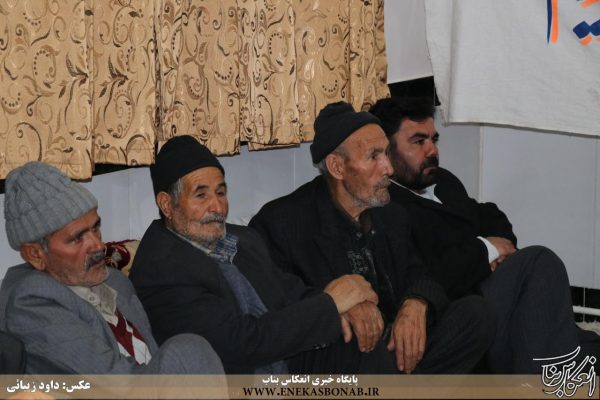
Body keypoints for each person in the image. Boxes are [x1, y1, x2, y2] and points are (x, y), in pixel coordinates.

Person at [250, 101, 495, 374]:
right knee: (365, 344)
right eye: (373, 156)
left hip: (391, 346)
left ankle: (408, 388)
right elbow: (276, 297)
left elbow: (419, 273)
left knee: (476, 314)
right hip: (339, 353)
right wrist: (337, 306)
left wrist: (416, 302)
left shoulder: (391, 214)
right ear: (337, 167)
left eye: (386, 153)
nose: (388, 168)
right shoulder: (282, 222)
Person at [369, 96, 600, 373]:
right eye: (418, 141)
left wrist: (499, 252)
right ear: (386, 150)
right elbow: (431, 275)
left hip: (492, 292)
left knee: (587, 349)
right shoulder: (388, 206)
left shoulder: (442, 181)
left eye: (434, 139)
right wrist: (487, 250)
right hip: (465, 317)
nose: (432, 150)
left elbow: (488, 214)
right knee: (539, 262)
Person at [129, 135, 380, 374]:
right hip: (243, 381)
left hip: (286, 359)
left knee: (374, 348)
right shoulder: (162, 269)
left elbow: (290, 292)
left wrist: (349, 307)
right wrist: (330, 305)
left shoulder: (241, 238)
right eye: (201, 195)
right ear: (167, 204)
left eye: (220, 192)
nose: (217, 207)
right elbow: (241, 344)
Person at [0, 161, 224, 374]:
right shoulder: (30, 303)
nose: (98, 245)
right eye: (77, 238)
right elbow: (116, 385)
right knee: (189, 351)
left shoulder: (115, 281)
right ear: (36, 254)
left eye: (95, 228)